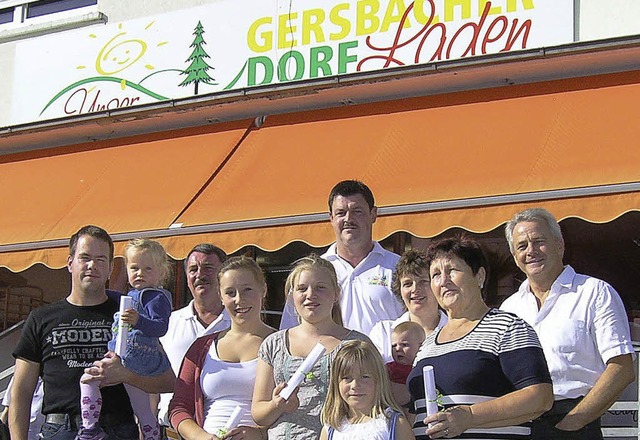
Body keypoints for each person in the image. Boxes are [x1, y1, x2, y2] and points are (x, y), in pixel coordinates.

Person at [9, 225, 175, 440]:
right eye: (84, 257)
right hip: (60, 430)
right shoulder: (41, 318)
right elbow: (21, 391)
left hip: (118, 429)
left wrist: (126, 376)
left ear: (109, 269)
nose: (92, 265)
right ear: (70, 263)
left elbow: (167, 381)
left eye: (101, 259)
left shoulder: (130, 311)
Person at [501, 208, 635, 439]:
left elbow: (621, 368)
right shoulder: (509, 308)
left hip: (573, 421)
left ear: (560, 245)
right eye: (522, 246)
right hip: (519, 424)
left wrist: (573, 423)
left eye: (539, 241)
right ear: (514, 256)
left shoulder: (594, 292)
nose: (531, 251)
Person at [408, 236, 553, 439]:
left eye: (452, 271)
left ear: (479, 276)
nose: (444, 281)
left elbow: (540, 397)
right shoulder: (428, 345)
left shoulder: (508, 327)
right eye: (435, 275)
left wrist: (469, 415)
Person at [252, 254, 371, 439]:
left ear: (336, 294)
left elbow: (373, 404)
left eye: (320, 288)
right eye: (302, 288)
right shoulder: (274, 344)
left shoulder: (357, 344)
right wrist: (277, 405)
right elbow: (259, 414)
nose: (310, 295)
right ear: (292, 296)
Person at [169, 256, 273, 440]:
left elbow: (299, 407)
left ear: (263, 289)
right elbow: (179, 407)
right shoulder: (201, 347)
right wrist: (201, 437)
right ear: (221, 296)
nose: (239, 300)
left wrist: (261, 434)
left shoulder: (284, 344)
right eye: (230, 292)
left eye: (247, 290)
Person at [78, 239, 173, 440]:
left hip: (137, 358)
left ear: (161, 272)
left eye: (148, 269)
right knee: (142, 408)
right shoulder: (133, 295)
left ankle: (90, 428)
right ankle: (150, 434)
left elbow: (160, 327)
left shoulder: (155, 297)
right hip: (125, 357)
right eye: (135, 268)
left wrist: (138, 320)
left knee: (88, 380)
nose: (140, 273)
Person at [280, 180, 404, 334]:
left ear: (373, 214)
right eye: (341, 213)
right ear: (331, 218)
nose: (348, 219)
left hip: (385, 358)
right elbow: (289, 331)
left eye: (357, 211)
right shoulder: (313, 272)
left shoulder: (397, 267)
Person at [157, 243, 231, 428]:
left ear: (223, 275)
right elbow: (152, 376)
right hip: (171, 431)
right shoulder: (166, 324)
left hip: (224, 431)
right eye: (193, 269)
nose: (199, 275)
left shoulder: (239, 325)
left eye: (208, 268)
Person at [319, 340, 415, 440]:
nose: (355, 385)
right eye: (347, 378)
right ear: (336, 383)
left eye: (364, 377)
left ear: (378, 379)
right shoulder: (331, 428)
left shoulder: (394, 425)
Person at [369, 249, 447, 364]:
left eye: (423, 281)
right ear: (399, 290)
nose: (415, 289)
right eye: (407, 284)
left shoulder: (455, 331)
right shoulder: (383, 333)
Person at [386, 322, 425, 407]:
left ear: (421, 347)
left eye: (404, 345)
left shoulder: (422, 368)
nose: (398, 349)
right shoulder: (388, 369)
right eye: (394, 345)